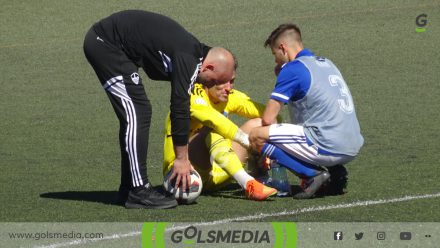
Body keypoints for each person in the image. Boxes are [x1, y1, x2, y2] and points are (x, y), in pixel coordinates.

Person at [83, 10, 236, 209]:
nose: (211, 86)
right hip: (105, 44)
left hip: (113, 46)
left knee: (138, 111)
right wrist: (181, 159)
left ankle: (129, 188)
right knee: (137, 111)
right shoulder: (188, 59)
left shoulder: (194, 54)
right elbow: (180, 106)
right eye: (214, 81)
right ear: (208, 68)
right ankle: (138, 190)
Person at [249, 23, 364, 199]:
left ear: (283, 48)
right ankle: (336, 173)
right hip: (352, 144)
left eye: (275, 55)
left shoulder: (292, 69)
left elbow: (268, 118)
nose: (276, 61)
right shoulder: (327, 63)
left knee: (257, 135)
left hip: (326, 144)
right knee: (300, 128)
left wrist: (282, 77)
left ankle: (312, 175)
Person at [163, 75, 278, 201]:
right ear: (208, 78)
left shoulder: (230, 96)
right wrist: (248, 142)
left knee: (260, 124)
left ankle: (259, 176)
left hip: (220, 173)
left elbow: (270, 116)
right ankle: (249, 184)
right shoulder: (192, 95)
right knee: (213, 129)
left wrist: (267, 146)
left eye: (232, 81)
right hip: (185, 173)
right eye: (222, 82)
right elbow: (216, 121)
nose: (228, 88)